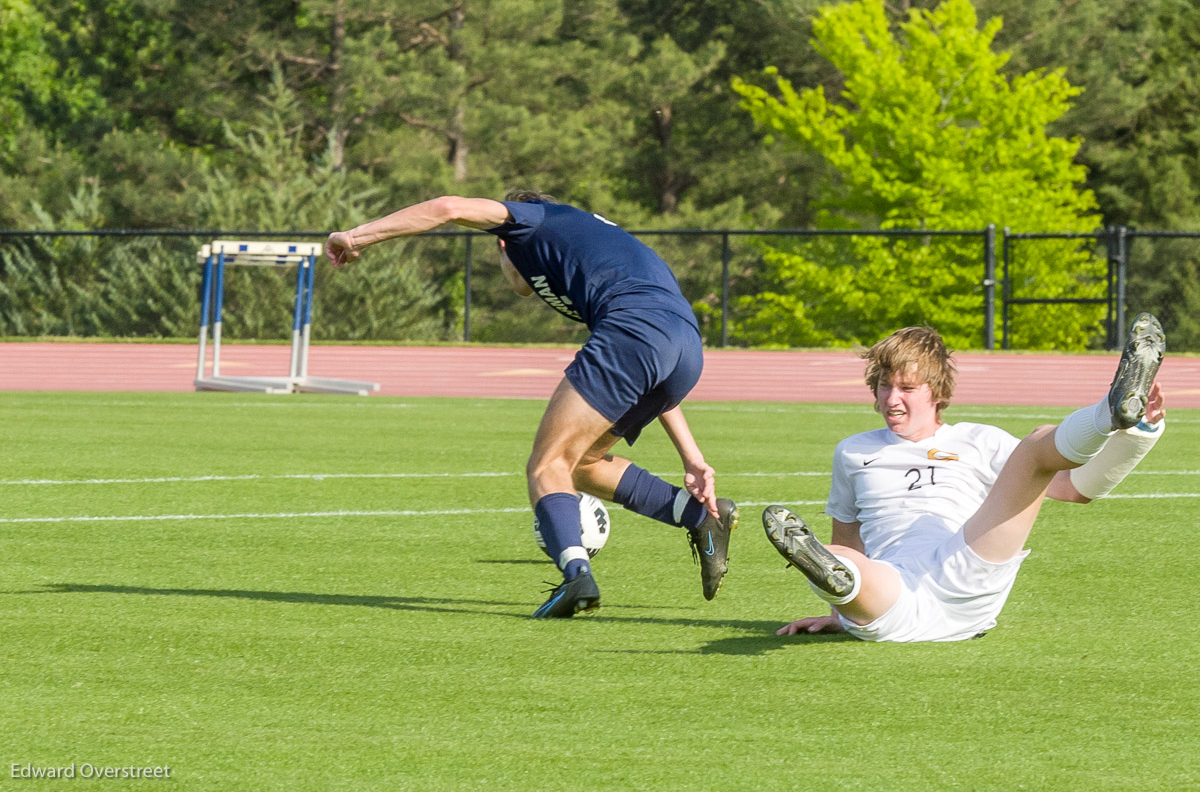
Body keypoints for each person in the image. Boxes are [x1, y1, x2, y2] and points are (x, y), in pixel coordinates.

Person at [325, 192, 739, 618]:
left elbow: (447, 207)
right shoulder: (590, 246)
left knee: (547, 465)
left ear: (503, 244)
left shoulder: (532, 221)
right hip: (684, 349)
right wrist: (692, 457)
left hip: (637, 332)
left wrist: (355, 238)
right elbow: (654, 356)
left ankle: (576, 575)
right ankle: (701, 517)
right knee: (581, 463)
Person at [762, 314, 1166, 643]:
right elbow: (848, 536)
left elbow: (1072, 488)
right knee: (842, 558)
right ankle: (846, 589)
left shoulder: (977, 439)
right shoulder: (853, 451)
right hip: (894, 591)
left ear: (936, 391)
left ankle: (1112, 410)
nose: (890, 399)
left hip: (967, 572)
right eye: (884, 386)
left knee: (1034, 448)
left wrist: (1138, 436)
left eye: (906, 387)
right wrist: (839, 612)